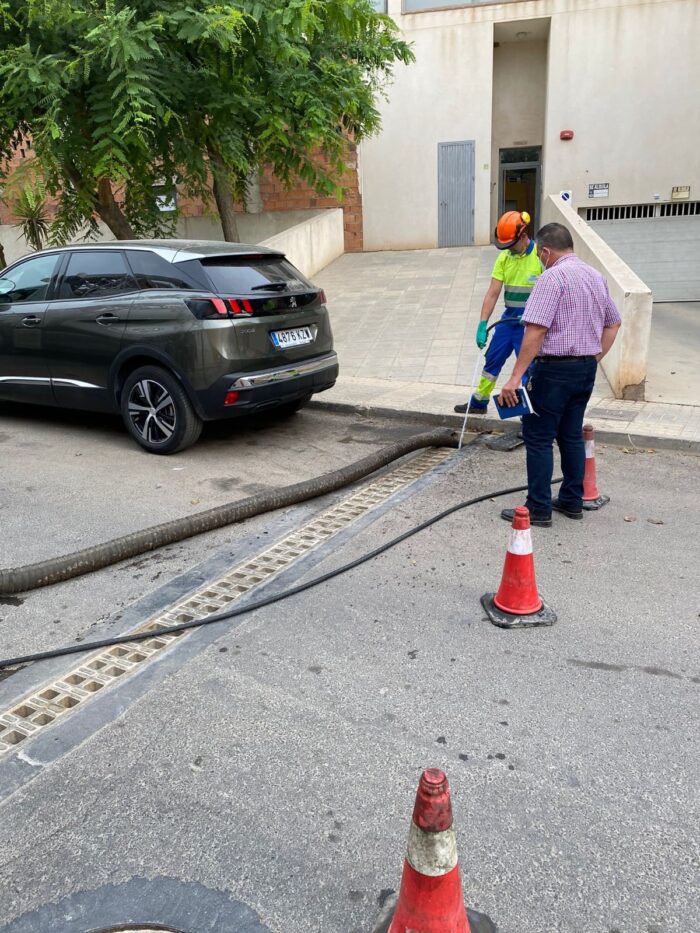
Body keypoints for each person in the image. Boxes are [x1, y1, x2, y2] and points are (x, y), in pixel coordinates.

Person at [498, 222, 622, 526]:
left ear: (545, 251)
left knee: (538, 437)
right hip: (585, 370)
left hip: (553, 371)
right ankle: (571, 500)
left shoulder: (551, 278)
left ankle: (538, 507)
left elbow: (536, 330)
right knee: (570, 435)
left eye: (540, 255)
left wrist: (514, 378)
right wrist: (594, 357)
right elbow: (613, 323)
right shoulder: (595, 276)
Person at [454, 210, 542, 415]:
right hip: (508, 321)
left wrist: (535, 316)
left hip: (530, 325)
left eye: (510, 245)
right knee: (493, 358)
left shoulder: (539, 257)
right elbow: (493, 293)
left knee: (528, 368)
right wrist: (482, 324)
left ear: (523, 236)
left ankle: (529, 413)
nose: (508, 249)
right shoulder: (504, 258)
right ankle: (479, 402)